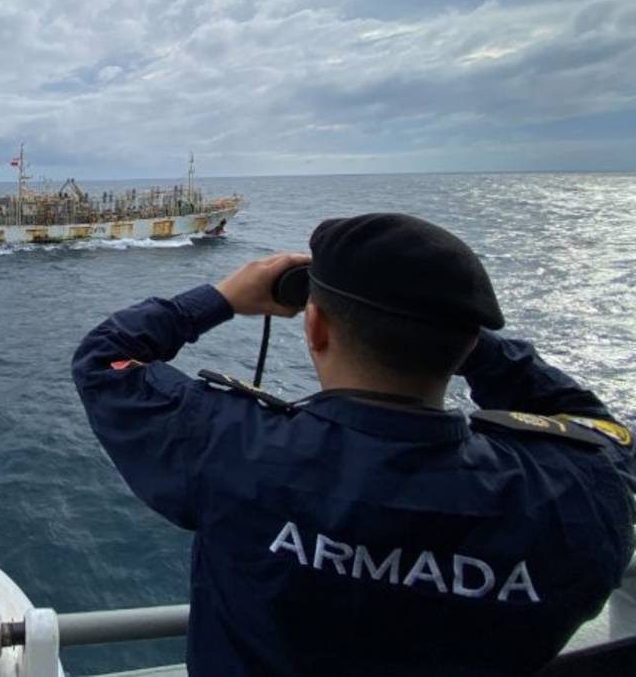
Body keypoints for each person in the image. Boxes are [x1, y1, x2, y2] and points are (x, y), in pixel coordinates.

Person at [72, 213, 635, 676]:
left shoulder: (232, 449)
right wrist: (449, 329)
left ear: (314, 329)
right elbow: (598, 429)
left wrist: (223, 297)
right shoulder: (581, 493)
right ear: (465, 342)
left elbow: (107, 360)